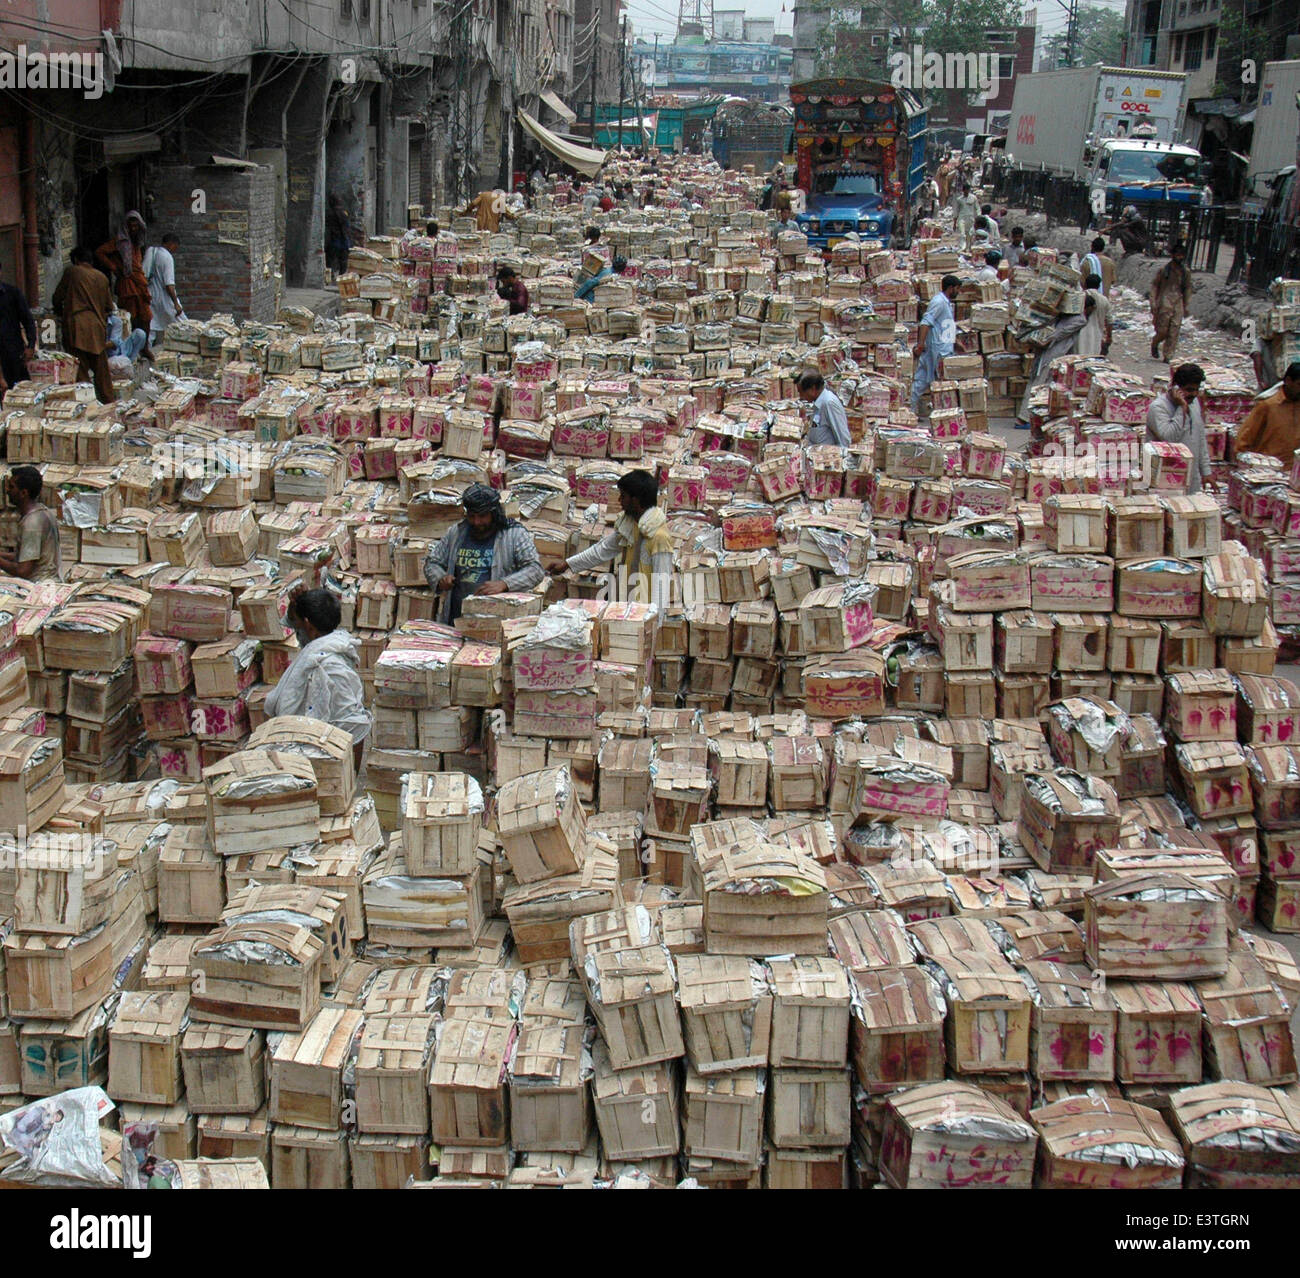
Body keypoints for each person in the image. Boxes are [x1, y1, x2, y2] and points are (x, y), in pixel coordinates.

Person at [264, 587, 372, 769]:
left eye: (299, 624)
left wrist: (349, 782)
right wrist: (295, 604)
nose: (295, 630)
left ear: (308, 625)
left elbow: (356, 727)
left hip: (320, 763)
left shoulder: (331, 667)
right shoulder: (318, 647)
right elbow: (290, 621)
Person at [547, 469, 673, 611]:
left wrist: (652, 623)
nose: (619, 501)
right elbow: (602, 550)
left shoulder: (659, 537)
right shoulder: (631, 525)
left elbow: (662, 589)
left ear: (635, 500)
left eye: (623, 496)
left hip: (644, 613)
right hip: (625, 605)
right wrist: (567, 564)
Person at [424, 483, 544, 625]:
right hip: (457, 619)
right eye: (471, 516)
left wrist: (505, 584)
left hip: (497, 620)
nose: (476, 522)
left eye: (482, 516)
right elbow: (432, 563)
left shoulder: (514, 534)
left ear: (494, 513)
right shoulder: (456, 532)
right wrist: (440, 578)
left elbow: (535, 570)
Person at [52, 247, 115, 404]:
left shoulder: (72, 272)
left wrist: (60, 313)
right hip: (97, 327)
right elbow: (109, 307)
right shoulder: (102, 277)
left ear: (76, 260)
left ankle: (88, 405)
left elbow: (57, 297)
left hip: (77, 326)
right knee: (102, 373)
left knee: (80, 370)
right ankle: (110, 404)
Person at [1016, 309, 1089, 429]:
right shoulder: (1077, 318)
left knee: (1038, 380)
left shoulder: (1058, 316)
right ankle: (1024, 418)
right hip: (1051, 353)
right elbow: (1076, 324)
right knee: (1040, 383)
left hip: (1045, 351)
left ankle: (1030, 416)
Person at [1146, 363, 1212, 493]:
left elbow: (1200, 438)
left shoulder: (1193, 403)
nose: (1193, 394)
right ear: (1175, 387)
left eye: (1196, 390)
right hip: (1166, 477)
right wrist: (1181, 408)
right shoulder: (1158, 408)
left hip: (1191, 476)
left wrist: (1206, 472)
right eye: (1189, 390)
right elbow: (1169, 438)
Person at [96, 211, 153, 352]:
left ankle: (144, 348)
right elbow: (100, 252)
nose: (134, 229)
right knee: (129, 317)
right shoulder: (119, 242)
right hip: (127, 284)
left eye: (136, 226)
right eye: (131, 226)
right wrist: (114, 267)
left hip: (140, 283)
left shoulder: (137, 244)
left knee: (146, 317)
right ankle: (128, 349)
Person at [0, 466, 62, 582]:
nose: (7, 490)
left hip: (39, 586)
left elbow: (23, 570)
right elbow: (25, 556)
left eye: (12, 487)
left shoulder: (31, 524)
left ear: (24, 493)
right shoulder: (43, 511)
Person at [911, 274, 960, 414]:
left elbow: (946, 326)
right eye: (957, 289)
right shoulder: (939, 302)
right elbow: (926, 322)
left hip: (942, 348)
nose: (958, 292)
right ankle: (941, 413)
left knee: (922, 380)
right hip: (937, 350)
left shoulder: (946, 302)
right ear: (951, 288)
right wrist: (920, 345)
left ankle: (911, 409)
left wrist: (956, 343)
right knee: (937, 382)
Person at [1236, 361, 1300, 464]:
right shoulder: (1267, 405)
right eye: (1299, 385)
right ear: (1288, 381)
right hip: (1269, 469)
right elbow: (1245, 438)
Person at [1150, 242, 1193, 361]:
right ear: (1173, 255)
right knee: (1162, 331)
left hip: (1178, 303)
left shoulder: (1186, 272)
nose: (1180, 257)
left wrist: (1186, 305)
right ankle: (1155, 343)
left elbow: (1187, 288)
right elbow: (1154, 286)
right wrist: (1153, 302)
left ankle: (1168, 355)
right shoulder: (1164, 270)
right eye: (1178, 255)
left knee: (1174, 330)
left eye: (1182, 255)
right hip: (1164, 302)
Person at [0, 261, 36, 401]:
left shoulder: (12, 294)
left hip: (13, 352)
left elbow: (28, 320)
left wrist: (31, 345)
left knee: (19, 393)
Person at [142, 232, 184, 344]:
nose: (175, 250)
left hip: (151, 296)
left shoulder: (151, 252)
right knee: (183, 324)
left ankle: (147, 352)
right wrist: (176, 303)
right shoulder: (167, 257)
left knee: (152, 326)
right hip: (164, 299)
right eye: (176, 247)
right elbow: (169, 284)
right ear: (171, 244)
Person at [797, 369, 851, 447]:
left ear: (813, 389)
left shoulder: (829, 403)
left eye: (802, 392)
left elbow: (844, 440)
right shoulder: (817, 402)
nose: (801, 396)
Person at [1076, 273, 1112, 357]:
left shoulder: (1079, 297)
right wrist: (1109, 337)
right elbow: (1109, 321)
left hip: (1078, 334)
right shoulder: (1104, 300)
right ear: (1099, 286)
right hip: (1096, 334)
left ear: (1085, 284)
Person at [326, 194, 351, 278]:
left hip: (334, 240)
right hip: (343, 241)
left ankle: (330, 277)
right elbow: (346, 227)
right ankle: (342, 277)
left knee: (330, 261)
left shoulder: (330, 213)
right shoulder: (344, 213)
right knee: (343, 261)